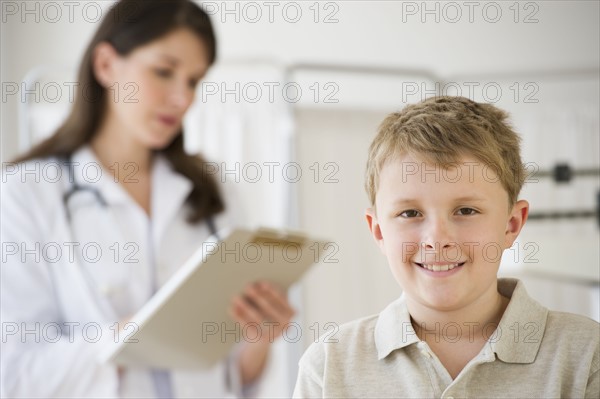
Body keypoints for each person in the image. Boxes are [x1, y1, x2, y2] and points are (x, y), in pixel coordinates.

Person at [0, 0, 295, 397]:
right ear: (105, 65)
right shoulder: (25, 194)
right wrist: (129, 337)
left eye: (193, 81)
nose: (182, 99)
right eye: (163, 71)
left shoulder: (213, 191)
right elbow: (15, 375)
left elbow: (234, 379)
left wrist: (259, 337)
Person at [292, 96, 599, 398]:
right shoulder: (329, 367)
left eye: (465, 211)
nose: (437, 239)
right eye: (410, 213)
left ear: (511, 225)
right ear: (379, 231)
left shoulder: (586, 357)